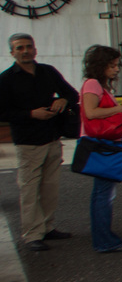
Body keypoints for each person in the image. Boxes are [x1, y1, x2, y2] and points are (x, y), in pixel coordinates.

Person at [0, 33, 78, 251]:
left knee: (50, 188)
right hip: (28, 143)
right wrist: (30, 114)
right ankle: (32, 234)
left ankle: (47, 227)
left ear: (35, 49)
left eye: (28, 46)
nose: (25, 51)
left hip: (52, 138)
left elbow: (72, 93)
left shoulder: (48, 71)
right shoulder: (6, 79)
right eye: (19, 48)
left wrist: (63, 99)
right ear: (12, 52)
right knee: (29, 190)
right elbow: (2, 112)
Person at [80, 45, 122, 253]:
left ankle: (104, 237)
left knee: (102, 193)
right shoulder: (93, 84)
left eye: (117, 65)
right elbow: (91, 112)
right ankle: (104, 240)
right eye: (112, 65)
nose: (116, 69)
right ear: (100, 65)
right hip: (102, 144)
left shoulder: (97, 85)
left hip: (103, 143)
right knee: (104, 194)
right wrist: (119, 109)